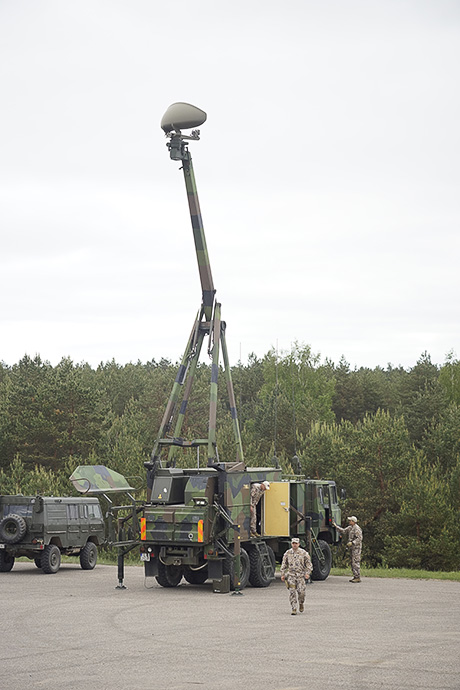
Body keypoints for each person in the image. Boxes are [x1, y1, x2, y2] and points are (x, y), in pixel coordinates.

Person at [280, 537, 313, 615]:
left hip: (300, 576)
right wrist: (282, 573)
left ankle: (301, 603)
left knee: (301, 592)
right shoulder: (287, 553)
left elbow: (309, 564)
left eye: (296, 543)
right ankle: (294, 608)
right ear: (291, 544)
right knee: (292, 592)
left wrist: (308, 573)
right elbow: (284, 564)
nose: (294, 545)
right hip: (291, 575)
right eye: (293, 543)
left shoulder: (303, 553)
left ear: (299, 544)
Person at [333, 515, 363, 582]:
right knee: (352, 562)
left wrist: (352, 542)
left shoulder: (357, 529)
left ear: (353, 521)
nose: (349, 521)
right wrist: (335, 526)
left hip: (356, 548)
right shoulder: (350, 528)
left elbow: (359, 538)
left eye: (350, 520)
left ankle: (357, 577)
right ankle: (355, 576)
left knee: (355, 562)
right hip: (352, 548)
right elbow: (343, 531)